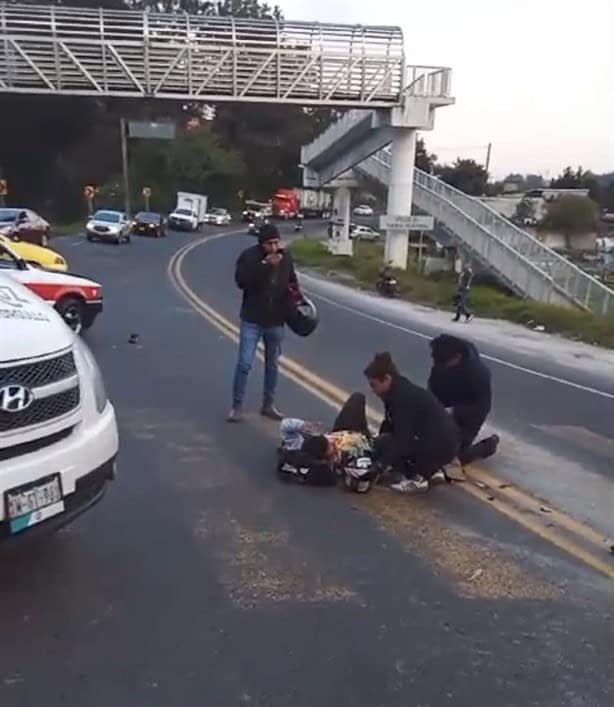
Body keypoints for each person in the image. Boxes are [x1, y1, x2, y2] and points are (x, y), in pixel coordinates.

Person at [227, 223, 297, 423]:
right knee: (244, 363)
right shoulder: (249, 257)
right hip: (252, 319)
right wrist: (265, 266)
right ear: (261, 244)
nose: (274, 248)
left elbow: (292, 281)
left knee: (272, 364)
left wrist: (296, 301)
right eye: (269, 244)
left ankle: (268, 405)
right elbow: (242, 282)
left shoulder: (286, 258)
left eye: (276, 243)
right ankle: (236, 406)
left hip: (276, 320)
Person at [364, 352, 459, 493]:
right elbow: (390, 424)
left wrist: (380, 465)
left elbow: (403, 439)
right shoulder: (396, 391)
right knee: (386, 442)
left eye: (374, 385)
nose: (372, 390)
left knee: (394, 445)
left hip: (440, 446)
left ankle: (419, 478)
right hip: (442, 440)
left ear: (387, 379)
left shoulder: (402, 399)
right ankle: (432, 469)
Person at [428, 334, 499, 466]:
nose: (440, 366)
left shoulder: (478, 375)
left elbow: (482, 407)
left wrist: (454, 411)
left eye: (444, 364)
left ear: (457, 357)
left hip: (467, 417)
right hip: (443, 407)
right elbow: (432, 389)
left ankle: (489, 445)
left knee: (451, 457)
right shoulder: (441, 363)